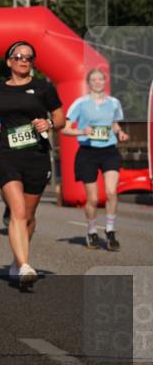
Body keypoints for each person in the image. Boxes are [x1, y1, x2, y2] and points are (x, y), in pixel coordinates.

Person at [0, 41, 65, 290]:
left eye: (28, 57)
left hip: (36, 155)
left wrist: (49, 124)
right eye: (17, 56)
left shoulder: (43, 88)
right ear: (8, 62)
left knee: (28, 216)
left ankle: (17, 261)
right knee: (17, 212)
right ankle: (25, 264)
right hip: (6, 154)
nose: (23, 60)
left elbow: (60, 117)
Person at [63, 68, 128, 251]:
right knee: (92, 199)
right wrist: (82, 131)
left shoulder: (114, 102)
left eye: (101, 79)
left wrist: (120, 133)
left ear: (104, 82)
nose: (98, 82)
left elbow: (114, 124)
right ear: (88, 83)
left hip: (109, 151)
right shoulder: (80, 103)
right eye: (94, 79)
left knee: (111, 192)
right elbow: (65, 128)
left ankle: (110, 230)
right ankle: (92, 231)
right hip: (87, 152)